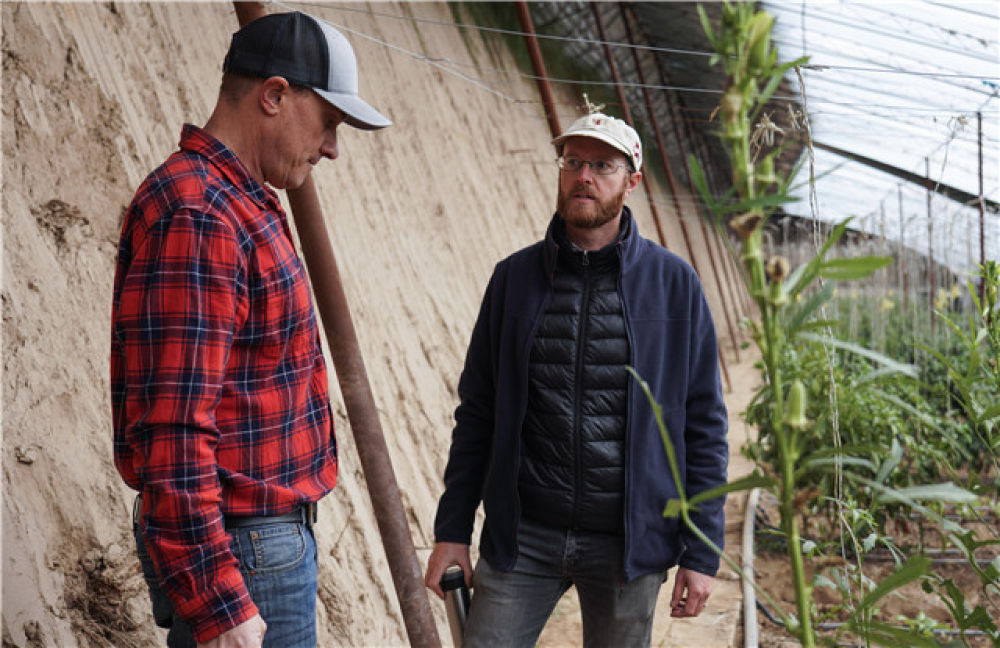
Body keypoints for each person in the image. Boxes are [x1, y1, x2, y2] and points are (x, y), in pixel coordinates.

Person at [110, 11, 390, 648]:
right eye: (329, 122)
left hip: (256, 544)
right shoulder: (202, 213)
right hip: (243, 553)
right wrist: (218, 601)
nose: (331, 147)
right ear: (274, 95)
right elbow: (173, 424)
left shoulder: (233, 199)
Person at [423, 111, 729, 647]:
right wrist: (453, 530)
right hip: (524, 538)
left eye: (602, 165)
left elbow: (703, 424)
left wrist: (701, 551)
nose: (583, 176)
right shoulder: (514, 279)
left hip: (629, 545)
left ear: (632, 181)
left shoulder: (674, 286)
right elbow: (478, 412)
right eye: (572, 162)